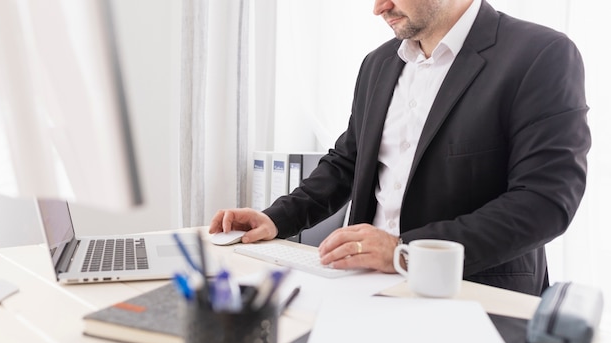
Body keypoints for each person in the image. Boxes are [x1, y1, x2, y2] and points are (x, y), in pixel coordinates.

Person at [209, 0, 590, 296]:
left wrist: (405, 251)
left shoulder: (541, 55)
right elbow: (347, 162)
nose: (377, 7)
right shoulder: (378, 64)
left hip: (473, 296)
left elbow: (545, 202)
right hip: (360, 289)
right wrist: (277, 219)